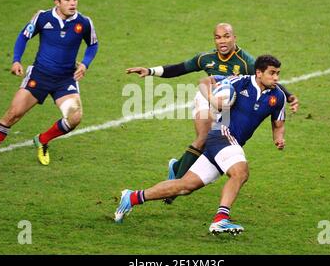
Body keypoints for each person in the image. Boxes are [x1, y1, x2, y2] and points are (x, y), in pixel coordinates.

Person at [114, 55, 287, 235]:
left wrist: (278, 138)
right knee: (240, 172)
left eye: (278, 74)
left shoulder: (278, 96)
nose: (276, 78)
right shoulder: (240, 81)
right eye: (272, 73)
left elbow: (278, 124)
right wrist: (212, 98)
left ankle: (132, 197)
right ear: (258, 73)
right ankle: (221, 219)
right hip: (221, 134)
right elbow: (204, 81)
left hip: (228, 145)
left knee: (185, 186)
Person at [126, 23, 297, 203]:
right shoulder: (206, 58)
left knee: (213, 143)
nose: (222, 41)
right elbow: (179, 68)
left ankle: (178, 168)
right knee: (203, 137)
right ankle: (174, 185)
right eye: (218, 37)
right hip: (206, 95)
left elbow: (266, 77)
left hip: (229, 103)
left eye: (226, 36)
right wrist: (150, 71)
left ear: (234, 38)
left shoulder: (246, 62)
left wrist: (288, 96)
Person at [0, 0, 98, 168]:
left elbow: (93, 45)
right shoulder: (43, 18)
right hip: (39, 77)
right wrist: (16, 60)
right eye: (67, 0)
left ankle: (43, 140)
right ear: (57, 2)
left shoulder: (84, 22)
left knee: (75, 118)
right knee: (12, 114)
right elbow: (24, 36)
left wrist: (85, 64)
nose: (73, 3)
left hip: (65, 80)